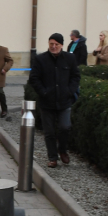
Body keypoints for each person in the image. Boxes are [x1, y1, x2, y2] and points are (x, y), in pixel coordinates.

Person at [28, 33, 81, 168]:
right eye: (51, 44)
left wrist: (70, 91)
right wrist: (43, 92)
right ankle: (52, 157)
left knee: (65, 127)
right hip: (47, 102)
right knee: (49, 132)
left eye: (56, 44)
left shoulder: (69, 58)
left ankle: (62, 150)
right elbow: (34, 78)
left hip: (64, 100)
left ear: (61, 45)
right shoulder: (41, 59)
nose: (54, 46)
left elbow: (75, 76)